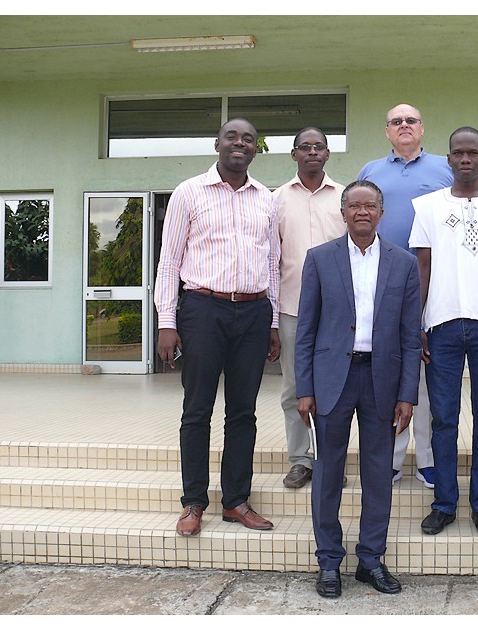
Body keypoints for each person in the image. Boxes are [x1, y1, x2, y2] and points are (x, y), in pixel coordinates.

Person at [295, 180, 421, 598]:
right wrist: (304, 388)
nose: (362, 212)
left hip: (381, 381)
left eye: (370, 206)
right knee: (328, 472)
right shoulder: (320, 259)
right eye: (354, 206)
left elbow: (409, 335)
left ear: (381, 213)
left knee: (378, 474)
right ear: (343, 213)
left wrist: (408, 395)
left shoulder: (402, 263)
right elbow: (307, 331)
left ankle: (370, 560)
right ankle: (329, 562)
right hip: (332, 380)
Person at [154, 117, 280, 537]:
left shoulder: (267, 198)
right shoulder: (189, 192)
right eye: (232, 137)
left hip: (252, 312)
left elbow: (272, 265)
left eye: (248, 138)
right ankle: (193, 502)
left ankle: (236, 501)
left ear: (255, 148)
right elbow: (169, 261)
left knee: (243, 411)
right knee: (197, 410)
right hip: (202, 310)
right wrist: (166, 321)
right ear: (217, 144)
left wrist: (274, 322)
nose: (239, 143)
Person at [409, 127, 478, 536]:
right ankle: (444, 502)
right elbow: (422, 266)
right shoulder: (426, 206)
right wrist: (418, 322)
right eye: (457, 153)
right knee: (443, 418)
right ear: (448, 158)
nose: (465, 160)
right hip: (441, 325)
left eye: (472, 153)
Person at [358, 103, 453, 489]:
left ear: (422, 127)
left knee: (429, 377)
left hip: (436, 285)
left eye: (410, 120)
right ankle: (392, 460)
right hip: (384, 287)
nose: (404, 126)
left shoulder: (443, 170)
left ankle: (428, 460)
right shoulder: (371, 172)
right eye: (396, 121)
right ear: (387, 131)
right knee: (391, 374)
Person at [273, 127, 346, 489]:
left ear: (327, 154)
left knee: (340, 388)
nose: (312, 152)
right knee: (294, 389)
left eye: (319, 147)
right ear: (294, 154)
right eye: (305, 147)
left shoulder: (345, 197)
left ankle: (333, 460)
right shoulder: (277, 199)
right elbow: (272, 259)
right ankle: (301, 460)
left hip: (339, 312)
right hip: (292, 308)